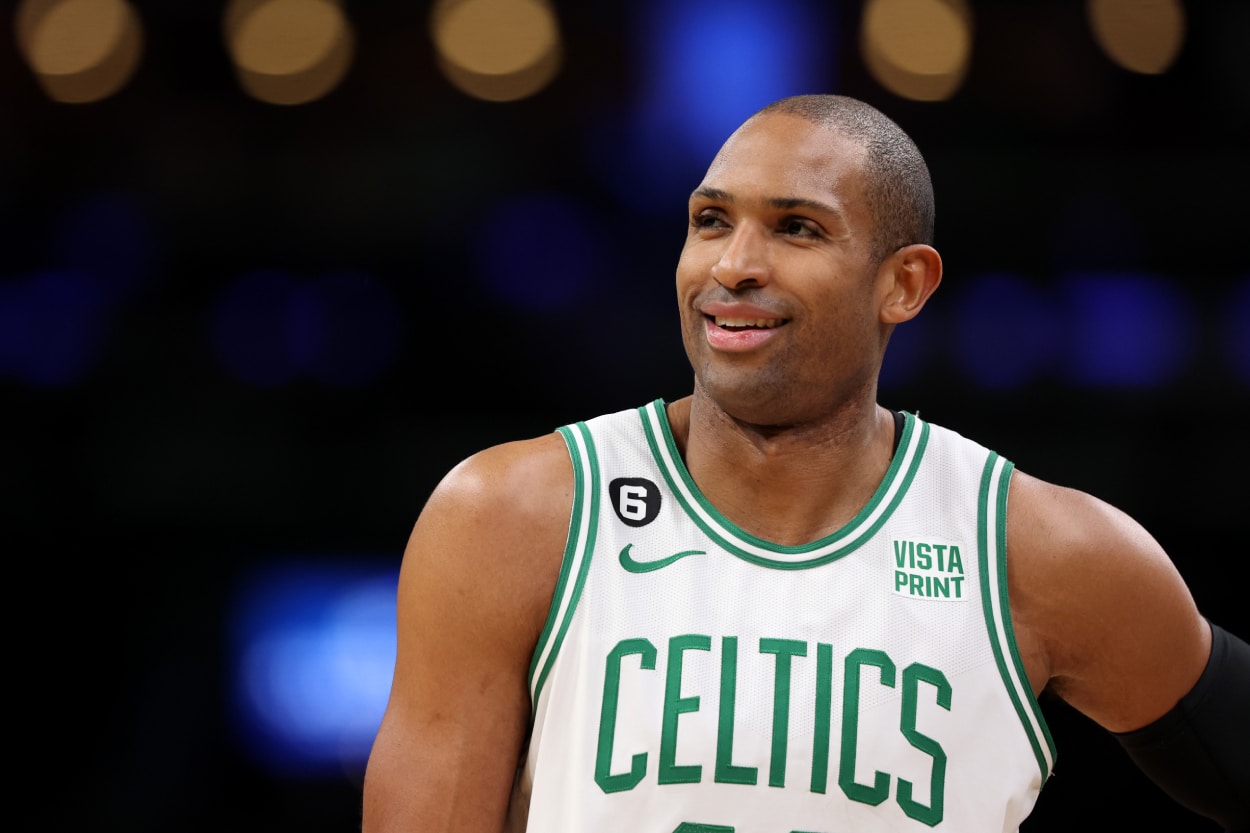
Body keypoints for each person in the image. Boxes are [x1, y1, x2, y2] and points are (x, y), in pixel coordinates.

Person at [361, 94, 1249, 833]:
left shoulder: (1040, 549)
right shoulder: (511, 515)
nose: (734, 265)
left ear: (903, 283)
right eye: (711, 221)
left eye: (796, 229)